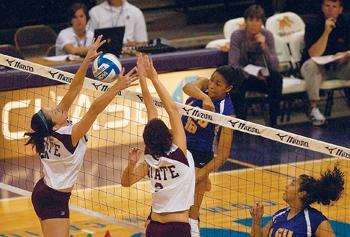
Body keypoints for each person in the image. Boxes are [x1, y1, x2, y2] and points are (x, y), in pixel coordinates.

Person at [25, 36, 137, 237]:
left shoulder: (50, 131)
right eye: (53, 111)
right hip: (53, 198)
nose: (57, 107)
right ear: (55, 123)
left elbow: (74, 87)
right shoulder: (69, 136)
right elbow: (94, 110)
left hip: (46, 191)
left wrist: (87, 59)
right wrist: (117, 88)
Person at [121, 54, 195, 237]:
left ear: (148, 141)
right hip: (177, 229)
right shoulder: (179, 152)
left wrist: (143, 80)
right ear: (169, 135)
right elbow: (171, 109)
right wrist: (153, 77)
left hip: (154, 227)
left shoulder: (149, 156)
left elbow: (126, 183)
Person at [182, 66, 241, 236]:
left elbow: (223, 155)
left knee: (192, 213)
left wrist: (198, 176)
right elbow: (187, 88)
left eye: (218, 84)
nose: (212, 85)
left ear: (228, 88)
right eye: (212, 80)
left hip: (200, 156)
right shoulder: (203, 85)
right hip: (179, 147)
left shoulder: (227, 113)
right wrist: (204, 97)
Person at [250, 165, 344, 237]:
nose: (287, 186)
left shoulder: (315, 220)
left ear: (302, 193)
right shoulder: (279, 215)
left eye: (293, 184)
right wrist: (256, 221)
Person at [228, 4, 283, 127]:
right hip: (244, 77)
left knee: (277, 78)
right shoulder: (237, 36)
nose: (254, 23)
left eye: (257, 20)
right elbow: (233, 64)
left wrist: (264, 47)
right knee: (237, 80)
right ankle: (241, 124)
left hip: (262, 78)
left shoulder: (267, 35)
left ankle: (274, 123)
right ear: (246, 21)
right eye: (251, 20)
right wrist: (252, 72)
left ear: (262, 22)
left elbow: (274, 65)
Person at [300, 0, 350, 126]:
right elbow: (314, 54)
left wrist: (346, 54)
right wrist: (326, 32)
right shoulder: (312, 24)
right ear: (322, 7)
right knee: (312, 66)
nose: (330, 9)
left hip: (338, 65)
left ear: (340, 10)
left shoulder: (347, 22)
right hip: (315, 65)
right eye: (327, 6)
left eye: (334, 6)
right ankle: (313, 109)